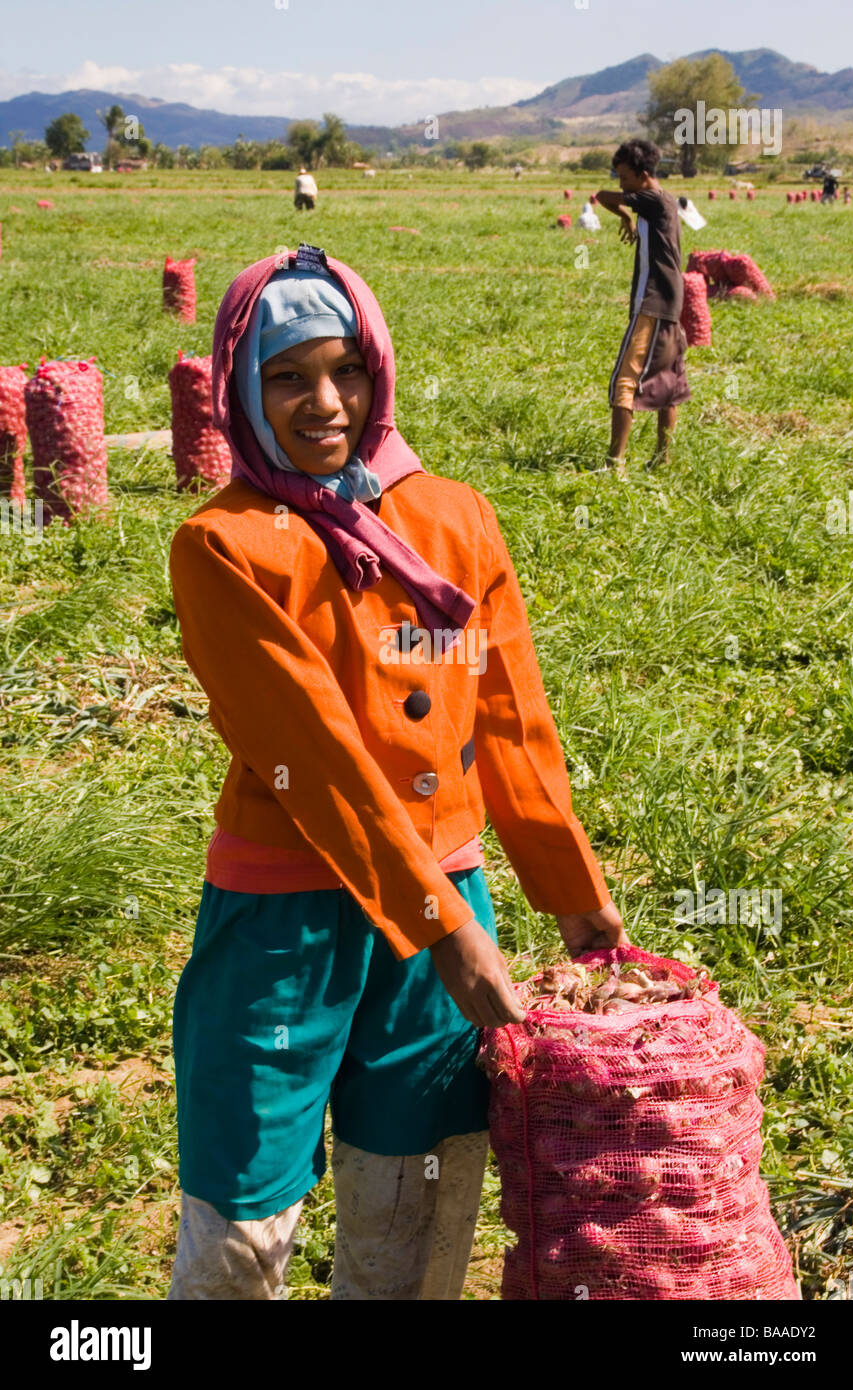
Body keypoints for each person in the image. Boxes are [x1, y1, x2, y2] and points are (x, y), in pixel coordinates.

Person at [166, 243, 626, 1300]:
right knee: (242, 1222)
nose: (322, 402)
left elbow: (510, 722)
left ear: (377, 368)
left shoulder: (451, 517)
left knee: (417, 1206)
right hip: (284, 925)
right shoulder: (225, 543)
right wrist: (444, 926)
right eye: (286, 377)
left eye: (345, 370)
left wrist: (573, 895)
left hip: (441, 909)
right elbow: (310, 753)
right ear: (242, 386)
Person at [596, 139, 690, 471]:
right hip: (671, 300)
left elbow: (602, 197)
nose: (619, 183)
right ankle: (663, 458)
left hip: (650, 300)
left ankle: (614, 463)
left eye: (623, 176)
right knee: (670, 382)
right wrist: (628, 217)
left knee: (625, 380)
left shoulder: (651, 199)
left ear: (643, 174)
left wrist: (624, 214)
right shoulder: (664, 201)